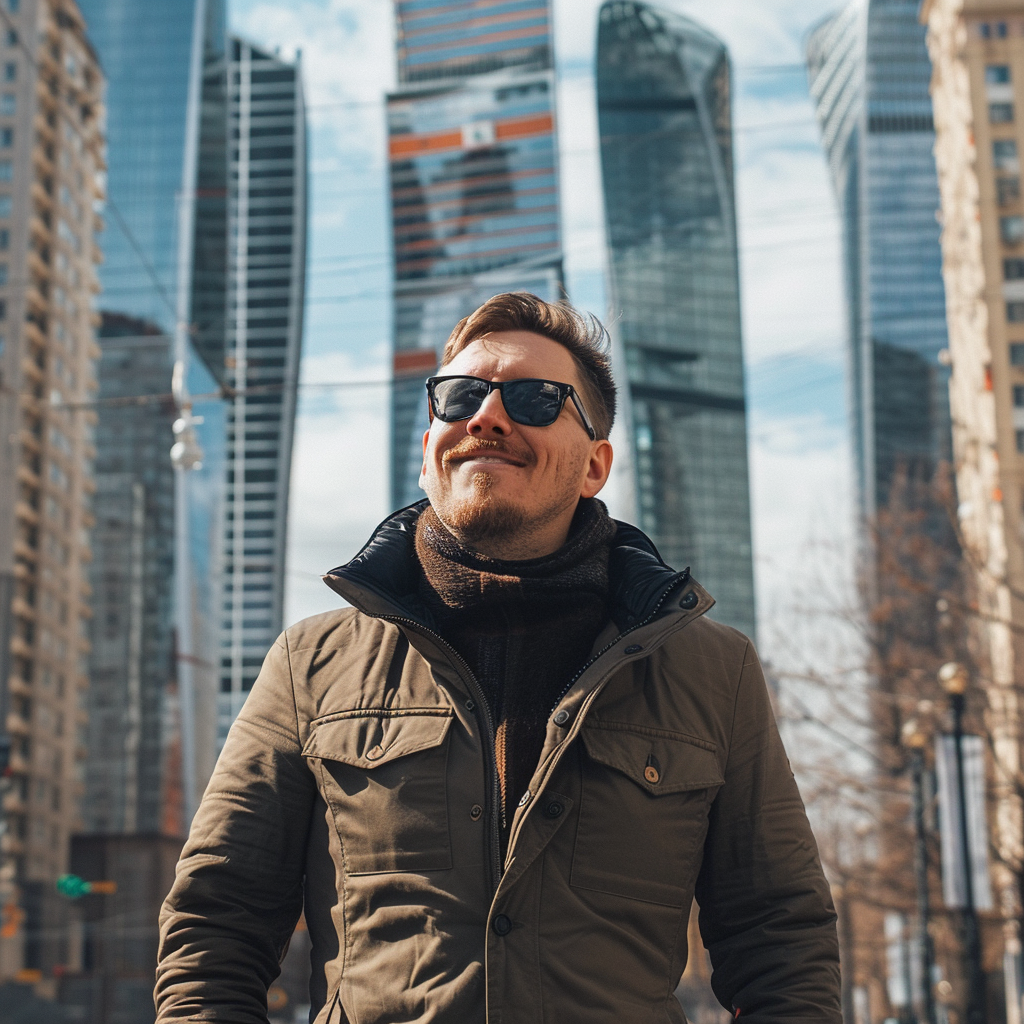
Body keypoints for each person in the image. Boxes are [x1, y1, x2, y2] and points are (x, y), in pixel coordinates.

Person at [155, 293, 841, 1024]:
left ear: (595, 465)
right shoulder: (310, 663)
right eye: (459, 396)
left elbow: (781, 938)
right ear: (429, 448)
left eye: (537, 400)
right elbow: (215, 926)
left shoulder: (713, 670)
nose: (486, 416)